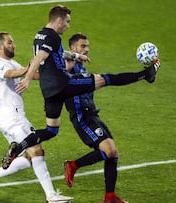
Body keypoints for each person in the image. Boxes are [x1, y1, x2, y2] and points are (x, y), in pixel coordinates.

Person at [2, 5, 160, 174]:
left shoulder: (39, 35)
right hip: (63, 84)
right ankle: (145, 75)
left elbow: (55, 53)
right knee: (105, 79)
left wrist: (76, 56)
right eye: (67, 22)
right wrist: (27, 79)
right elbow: (39, 58)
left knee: (51, 130)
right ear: (59, 20)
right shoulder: (53, 36)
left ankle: (18, 148)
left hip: (48, 91)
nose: (68, 26)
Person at [63, 33, 160, 203]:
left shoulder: (82, 68)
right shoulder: (67, 66)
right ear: (73, 48)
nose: (87, 49)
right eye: (83, 46)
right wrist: (143, 75)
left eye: (87, 46)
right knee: (108, 151)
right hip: (81, 118)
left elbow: (113, 79)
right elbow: (112, 79)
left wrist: (146, 74)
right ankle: (73, 165)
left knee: (113, 154)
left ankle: (110, 197)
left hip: (92, 114)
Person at [0, 31, 73, 203]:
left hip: (10, 119)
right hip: (13, 119)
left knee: (29, 157)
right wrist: (27, 68)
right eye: (10, 42)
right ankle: (51, 196)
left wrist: (62, 70)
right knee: (37, 150)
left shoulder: (11, 62)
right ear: (1, 47)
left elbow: (34, 75)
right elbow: (12, 74)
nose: (14, 45)